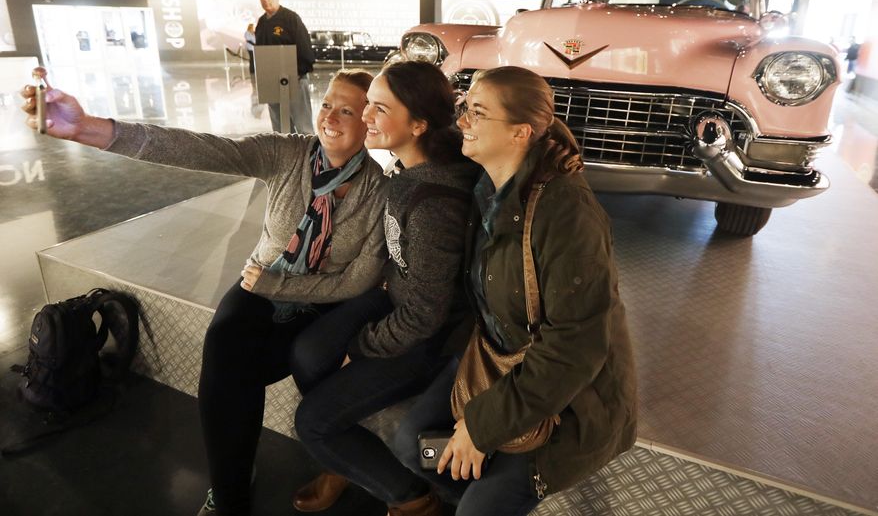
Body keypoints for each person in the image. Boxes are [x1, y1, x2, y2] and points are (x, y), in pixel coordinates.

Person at [21, 68, 389, 516]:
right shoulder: (287, 153)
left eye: (347, 109)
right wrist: (90, 129)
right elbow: (200, 148)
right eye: (327, 103)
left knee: (249, 372)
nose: (330, 116)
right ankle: (230, 490)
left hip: (321, 301)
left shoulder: (379, 190)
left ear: (370, 120)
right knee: (224, 347)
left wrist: (283, 283)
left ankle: (331, 465)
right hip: (261, 286)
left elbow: (361, 280)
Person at [392, 66, 638, 516]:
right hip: (496, 358)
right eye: (465, 107)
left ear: (521, 132)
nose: (461, 120)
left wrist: (481, 428)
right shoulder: (485, 187)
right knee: (413, 446)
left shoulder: (566, 214)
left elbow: (574, 350)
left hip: (571, 396)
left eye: (477, 112)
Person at [289, 61, 479, 516]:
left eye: (378, 108)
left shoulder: (435, 203)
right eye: (367, 105)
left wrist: (364, 346)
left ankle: (410, 498)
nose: (365, 116)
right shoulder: (410, 166)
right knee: (308, 352)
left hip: (430, 334)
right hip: (398, 295)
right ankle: (347, 451)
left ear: (418, 124)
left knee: (311, 424)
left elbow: (426, 316)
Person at [254, 0, 316, 133]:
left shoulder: (291, 19)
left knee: (303, 127)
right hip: (272, 82)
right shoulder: (261, 23)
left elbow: (305, 50)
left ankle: (310, 156)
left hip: (295, 80)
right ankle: (286, 156)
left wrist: (297, 73)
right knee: (280, 128)